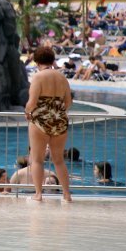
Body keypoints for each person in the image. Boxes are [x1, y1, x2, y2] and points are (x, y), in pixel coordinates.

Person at [25, 45, 73, 202]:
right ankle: (67, 194)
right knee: (58, 160)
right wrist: (56, 112)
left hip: (40, 120)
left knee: (37, 159)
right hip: (59, 120)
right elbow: (68, 102)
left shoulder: (38, 77)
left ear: (37, 62)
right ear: (52, 61)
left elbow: (32, 102)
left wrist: (28, 112)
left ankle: (38, 194)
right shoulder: (62, 78)